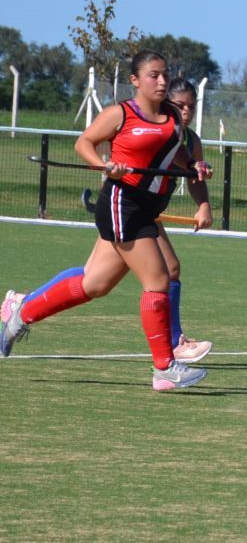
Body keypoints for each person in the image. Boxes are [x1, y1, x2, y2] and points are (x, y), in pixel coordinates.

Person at [0, 51, 212, 391]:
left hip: (144, 208)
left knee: (93, 284)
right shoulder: (120, 113)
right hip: (122, 203)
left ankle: (21, 313)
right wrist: (103, 165)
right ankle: (165, 368)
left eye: (164, 75)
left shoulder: (172, 117)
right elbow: (84, 142)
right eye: (154, 75)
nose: (161, 81)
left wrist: (194, 167)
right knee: (158, 279)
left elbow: (178, 154)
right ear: (135, 80)